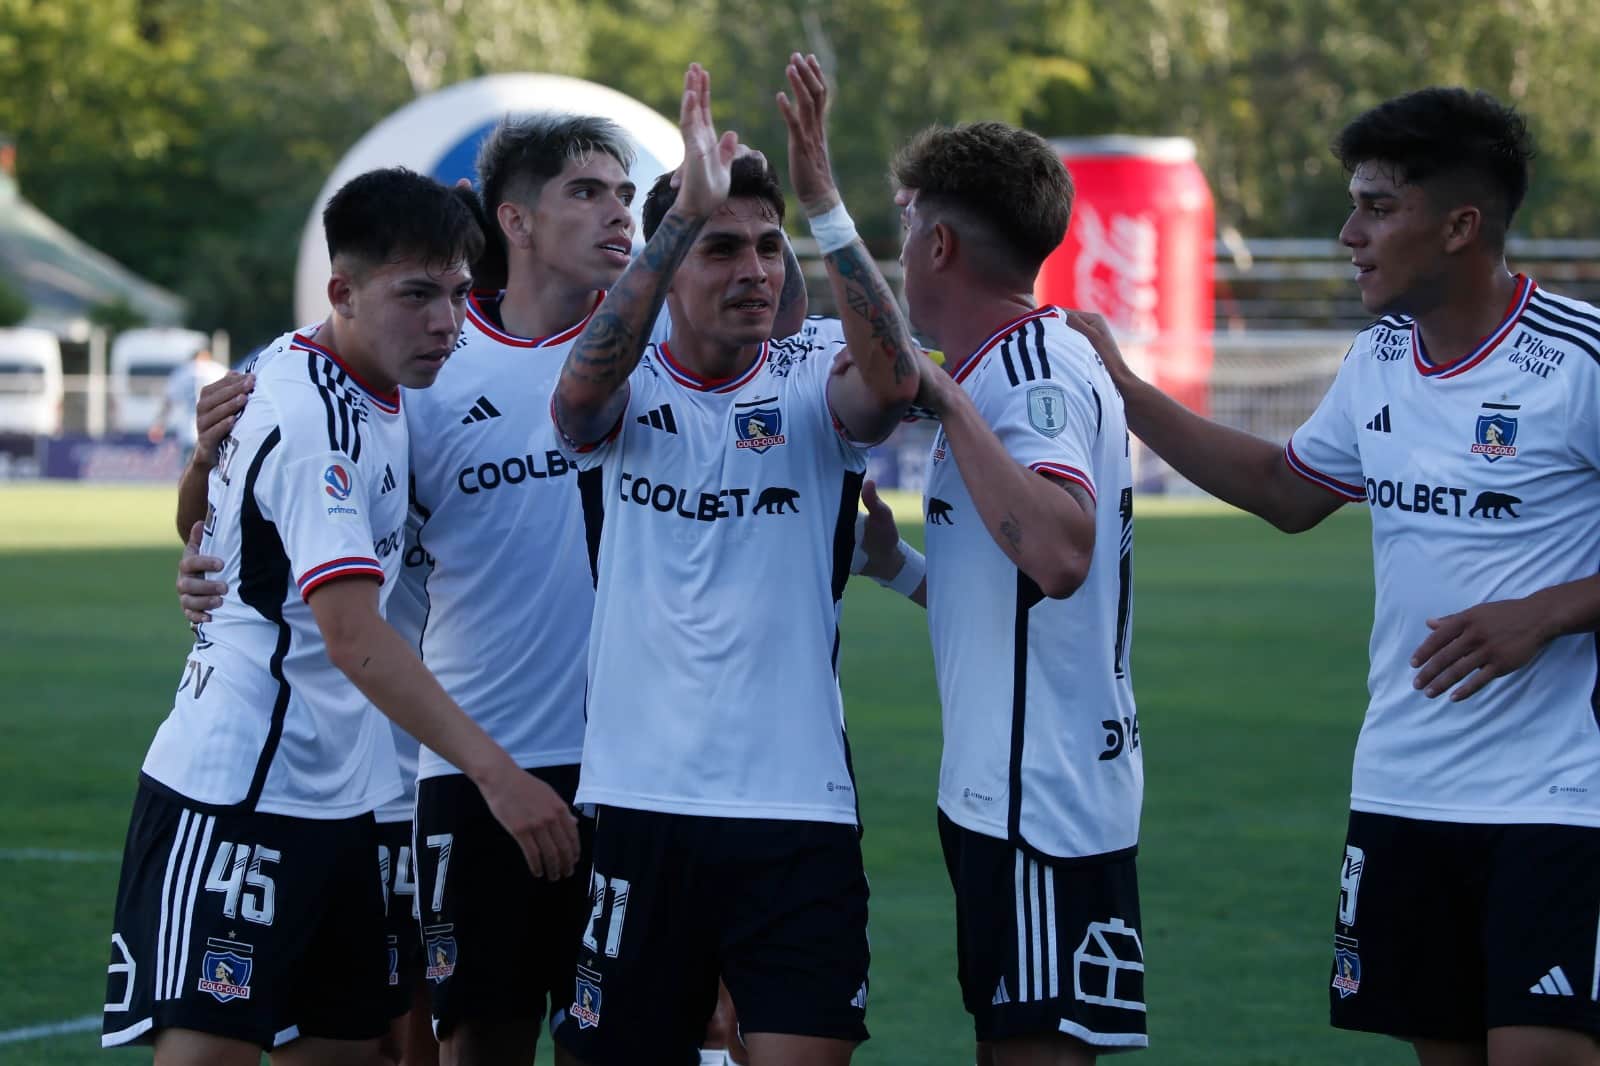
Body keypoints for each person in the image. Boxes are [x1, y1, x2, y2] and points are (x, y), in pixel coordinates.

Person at [176, 116, 802, 1065]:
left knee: (673, 1034)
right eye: (586, 192)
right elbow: (237, 502)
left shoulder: (653, 345)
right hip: (469, 766)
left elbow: (774, 335)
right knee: (467, 1036)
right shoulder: (417, 357)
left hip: (646, 766)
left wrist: (744, 188)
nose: (617, 215)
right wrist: (202, 527)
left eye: (625, 195)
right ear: (514, 219)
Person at [1068, 88, 1600, 1066]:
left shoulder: (1578, 362)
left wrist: (1548, 612)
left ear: (1460, 226)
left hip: (1559, 797)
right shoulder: (1377, 360)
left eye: (1377, 208)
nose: (1349, 236)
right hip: (1404, 788)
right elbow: (1286, 490)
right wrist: (1127, 392)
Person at [102, 166, 579, 1066]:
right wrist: (496, 775)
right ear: (342, 293)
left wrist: (203, 498)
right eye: (415, 295)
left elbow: (214, 523)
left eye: (456, 294)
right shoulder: (315, 415)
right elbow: (352, 634)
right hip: (241, 790)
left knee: (361, 1052)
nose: (445, 320)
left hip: (350, 801)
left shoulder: (369, 382)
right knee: (206, 1056)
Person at [548, 58, 920, 1066]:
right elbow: (575, 405)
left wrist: (823, 202)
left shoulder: (811, 371)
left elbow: (894, 387)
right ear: (671, 267)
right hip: (641, 803)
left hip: (798, 810)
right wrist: (678, 218)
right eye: (721, 249)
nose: (754, 270)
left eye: (766, 247)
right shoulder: (626, 382)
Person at [875, 122, 1144, 1064]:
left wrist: (945, 399)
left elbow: (1060, 555)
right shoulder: (1002, 365)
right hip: (1005, 792)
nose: (900, 250)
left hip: (1043, 800)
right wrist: (893, 564)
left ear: (939, 244)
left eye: (906, 226)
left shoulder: (1028, 371)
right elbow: (1009, 597)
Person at [148, 346, 229, 457]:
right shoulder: (218, 370)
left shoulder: (182, 372)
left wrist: (160, 424)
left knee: (188, 466)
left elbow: (168, 401)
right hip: (213, 431)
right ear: (208, 356)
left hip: (188, 432)